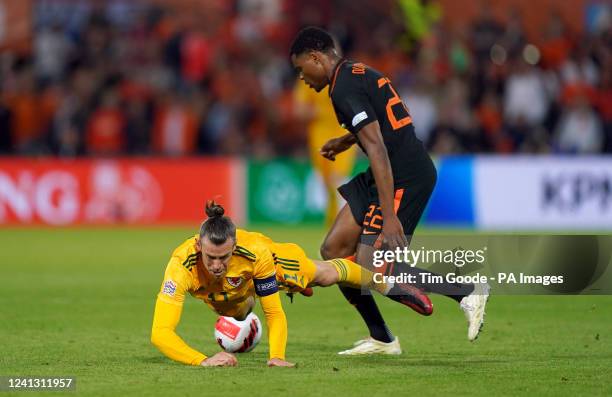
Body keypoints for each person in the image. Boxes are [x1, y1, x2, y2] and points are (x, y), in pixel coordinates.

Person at [289, 27, 490, 355]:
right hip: (386, 172)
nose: (301, 78)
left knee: (373, 265)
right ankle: (382, 338)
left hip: (403, 176)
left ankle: (467, 291)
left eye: (301, 69)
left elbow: (378, 148)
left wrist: (390, 216)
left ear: (315, 57)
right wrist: (345, 140)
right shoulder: (357, 71)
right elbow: (381, 121)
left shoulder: (342, 90)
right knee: (335, 249)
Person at [151, 202, 432, 366]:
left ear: (234, 247)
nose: (216, 265)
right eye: (210, 257)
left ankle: (390, 286)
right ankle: (261, 299)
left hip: (276, 263)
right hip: (232, 292)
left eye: (223, 257)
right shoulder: (180, 266)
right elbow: (160, 333)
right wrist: (203, 360)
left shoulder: (257, 252)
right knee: (234, 310)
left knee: (324, 275)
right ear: (198, 245)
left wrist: (277, 356)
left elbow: (273, 312)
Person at [293, 79, 357, 226]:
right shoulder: (308, 78)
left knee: (337, 178)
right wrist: (322, 111)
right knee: (327, 182)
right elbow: (299, 110)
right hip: (320, 136)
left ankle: (345, 224)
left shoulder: (347, 77)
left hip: (343, 132)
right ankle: (333, 224)